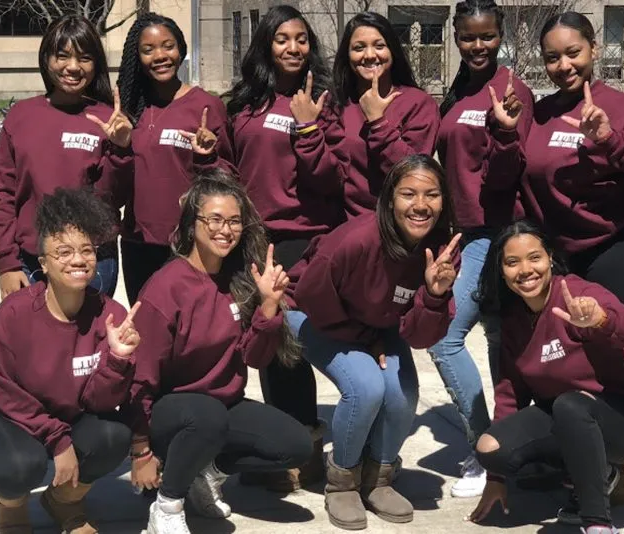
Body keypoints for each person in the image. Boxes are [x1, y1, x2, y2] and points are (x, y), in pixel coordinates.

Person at [520, 11, 624, 503]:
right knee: (554, 350)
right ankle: (571, 455)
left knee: (598, 346)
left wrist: (612, 140)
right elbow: (531, 184)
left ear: (593, 50)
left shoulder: (618, 105)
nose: (564, 64)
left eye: (573, 52)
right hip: (569, 253)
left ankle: (623, 466)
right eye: (552, 57)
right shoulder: (544, 112)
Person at [126, 170, 313, 534]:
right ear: (191, 222)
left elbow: (255, 359)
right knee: (207, 415)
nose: (225, 230)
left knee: (295, 445)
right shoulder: (165, 288)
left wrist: (268, 309)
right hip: (170, 413)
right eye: (214, 219)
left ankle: (205, 474)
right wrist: (140, 450)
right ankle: (167, 504)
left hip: (220, 408)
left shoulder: (237, 280)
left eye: (234, 221)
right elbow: (140, 377)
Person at [287, 154, 460, 530]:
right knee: (365, 387)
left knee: (401, 394)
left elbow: (418, 336)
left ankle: (378, 477)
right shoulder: (355, 240)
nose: (420, 205)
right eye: (408, 194)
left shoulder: (442, 249)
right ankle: (343, 480)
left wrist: (433, 295)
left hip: (376, 325)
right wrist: (366, 340)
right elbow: (313, 297)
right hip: (313, 314)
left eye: (431, 194)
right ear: (389, 199)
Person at [0, 188, 141, 534]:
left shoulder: (110, 315)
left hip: (60, 414)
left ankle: (63, 502)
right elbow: (1, 388)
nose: (77, 259)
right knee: (20, 465)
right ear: (42, 264)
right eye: (63, 252)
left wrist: (117, 359)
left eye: (87, 250)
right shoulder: (15, 313)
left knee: (113, 437)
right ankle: (9, 507)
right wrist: (58, 440)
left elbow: (97, 402)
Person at [467, 220, 624, 534]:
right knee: (491, 448)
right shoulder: (514, 321)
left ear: (549, 258)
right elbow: (509, 396)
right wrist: (496, 481)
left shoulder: (579, 295)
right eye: (512, 262)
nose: (525, 270)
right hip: (568, 415)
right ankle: (599, 474)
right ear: (501, 271)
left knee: (570, 406)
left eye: (535, 257)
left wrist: (603, 320)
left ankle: (597, 523)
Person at [225, 4, 347, 492]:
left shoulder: (328, 100)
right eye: (282, 39)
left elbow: (333, 178)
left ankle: (310, 446)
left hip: (309, 238)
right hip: (256, 239)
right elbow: (230, 171)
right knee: (271, 345)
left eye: (301, 39)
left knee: (306, 346)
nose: (293, 48)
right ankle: (283, 450)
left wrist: (310, 128)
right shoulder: (243, 104)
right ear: (265, 46)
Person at [431, 0, 535, 499]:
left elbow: (518, 169)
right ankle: (502, 446)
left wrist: (504, 129)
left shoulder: (513, 91)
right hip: (465, 233)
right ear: (455, 35)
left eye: (488, 36)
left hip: (498, 235)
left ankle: (487, 448)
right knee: (496, 341)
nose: (478, 46)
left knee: (447, 338)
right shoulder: (456, 92)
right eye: (469, 36)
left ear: (501, 35)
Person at [0, 14, 132, 302]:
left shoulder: (109, 120)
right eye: (63, 56)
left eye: (84, 58)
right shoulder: (21, 116)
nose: (72, 67)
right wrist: (7, 261)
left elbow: (113, 199)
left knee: (87, 346)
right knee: (37, 344)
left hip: (92, 259)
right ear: (46, 59)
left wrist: (120, 149)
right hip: (31, 259)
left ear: (96, 65)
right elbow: (4, 194)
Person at [117, 12, 235, 304]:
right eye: (148, 50)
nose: (160, 56)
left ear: (181, 49)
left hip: (191, 243)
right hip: (138, 243)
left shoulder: (207, 106)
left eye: (167, 46)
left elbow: (230, 178)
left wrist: (206, 158)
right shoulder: (129, 109)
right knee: (146, 330)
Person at [333, 12, 441, 219]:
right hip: (344, 228)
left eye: (379, 46)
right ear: (347, 55)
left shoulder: (418, 104)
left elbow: (413, 175)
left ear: (393, 51)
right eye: (359, 47)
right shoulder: (338, 104)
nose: (370, 55)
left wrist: (378, 123)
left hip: (397, 229)